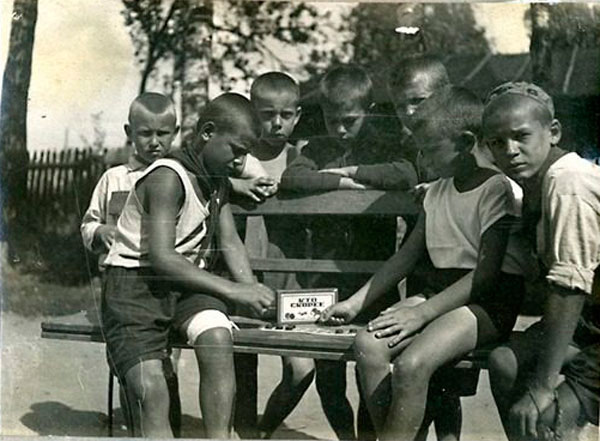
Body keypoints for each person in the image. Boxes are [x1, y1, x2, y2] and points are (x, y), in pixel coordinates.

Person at [321, 86, 530, 441]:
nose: (422, 158)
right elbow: (406, 257)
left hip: (487, 300)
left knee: (411, 365)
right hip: (441, 292)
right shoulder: (436, 192)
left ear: (465, 143)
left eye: (431, 149)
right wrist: (355, 302)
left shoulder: (497, 189)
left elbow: (486, 274)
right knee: (368, 346)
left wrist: (420, 313)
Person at [101, 93, 276, 439]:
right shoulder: (167, 177)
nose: (241, 162)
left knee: (217, 337)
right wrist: (234, 290)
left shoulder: (216, 179)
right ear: (207, 132)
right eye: (237, 150)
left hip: (182, 289)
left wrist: (254, 293)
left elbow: (230, 241)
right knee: (152, 394)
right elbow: (163, 259)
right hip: (134, 287)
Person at [280, 64, 418, 441]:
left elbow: (405, 174)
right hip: (325, 279)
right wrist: (344, 182)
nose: (340, 129)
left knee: (369, 374)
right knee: (328, 377)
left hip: (372, 282)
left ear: (368, 110)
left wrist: (356, 169)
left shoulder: (383, 144)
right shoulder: (317, 148)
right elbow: (293, 178)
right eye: (332, 119)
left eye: (350, 121)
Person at [483, 82, 600, 441]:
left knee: (543, 415)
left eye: (521, 137)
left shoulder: (569, 182)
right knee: (503, 362)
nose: (510, 151)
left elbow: (569, 285)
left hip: (590, 321)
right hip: (590, 326)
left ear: (554, 132)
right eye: (497, 143)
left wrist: (542, 387)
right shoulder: (532, 186)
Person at [81, 92, 183, 434]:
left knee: (166, 369)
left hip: (165, 283)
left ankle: (167, 427)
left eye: (163, 134)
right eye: (145, 134)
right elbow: (88, 224)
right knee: (137, 366)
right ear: (130, 132)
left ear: (175, 132)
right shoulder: (115, 178)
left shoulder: (177, 176)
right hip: (124, 282)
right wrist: (101, 231)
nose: (154, 142)